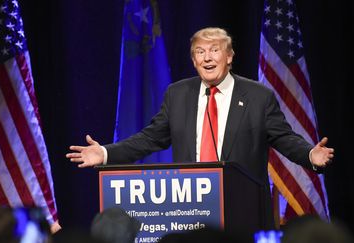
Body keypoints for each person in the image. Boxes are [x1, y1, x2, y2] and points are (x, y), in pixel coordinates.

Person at [66, 26, 334, 228]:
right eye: (200, 52)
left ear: (229, 56)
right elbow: (149, 139)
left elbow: (284, 138)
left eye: (215, 50)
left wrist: (310, 155)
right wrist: (105, 153)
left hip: (245, 212)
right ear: (194, 60)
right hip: (192, 213)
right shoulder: (177, 94)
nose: (207, 57)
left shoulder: (258, 96)